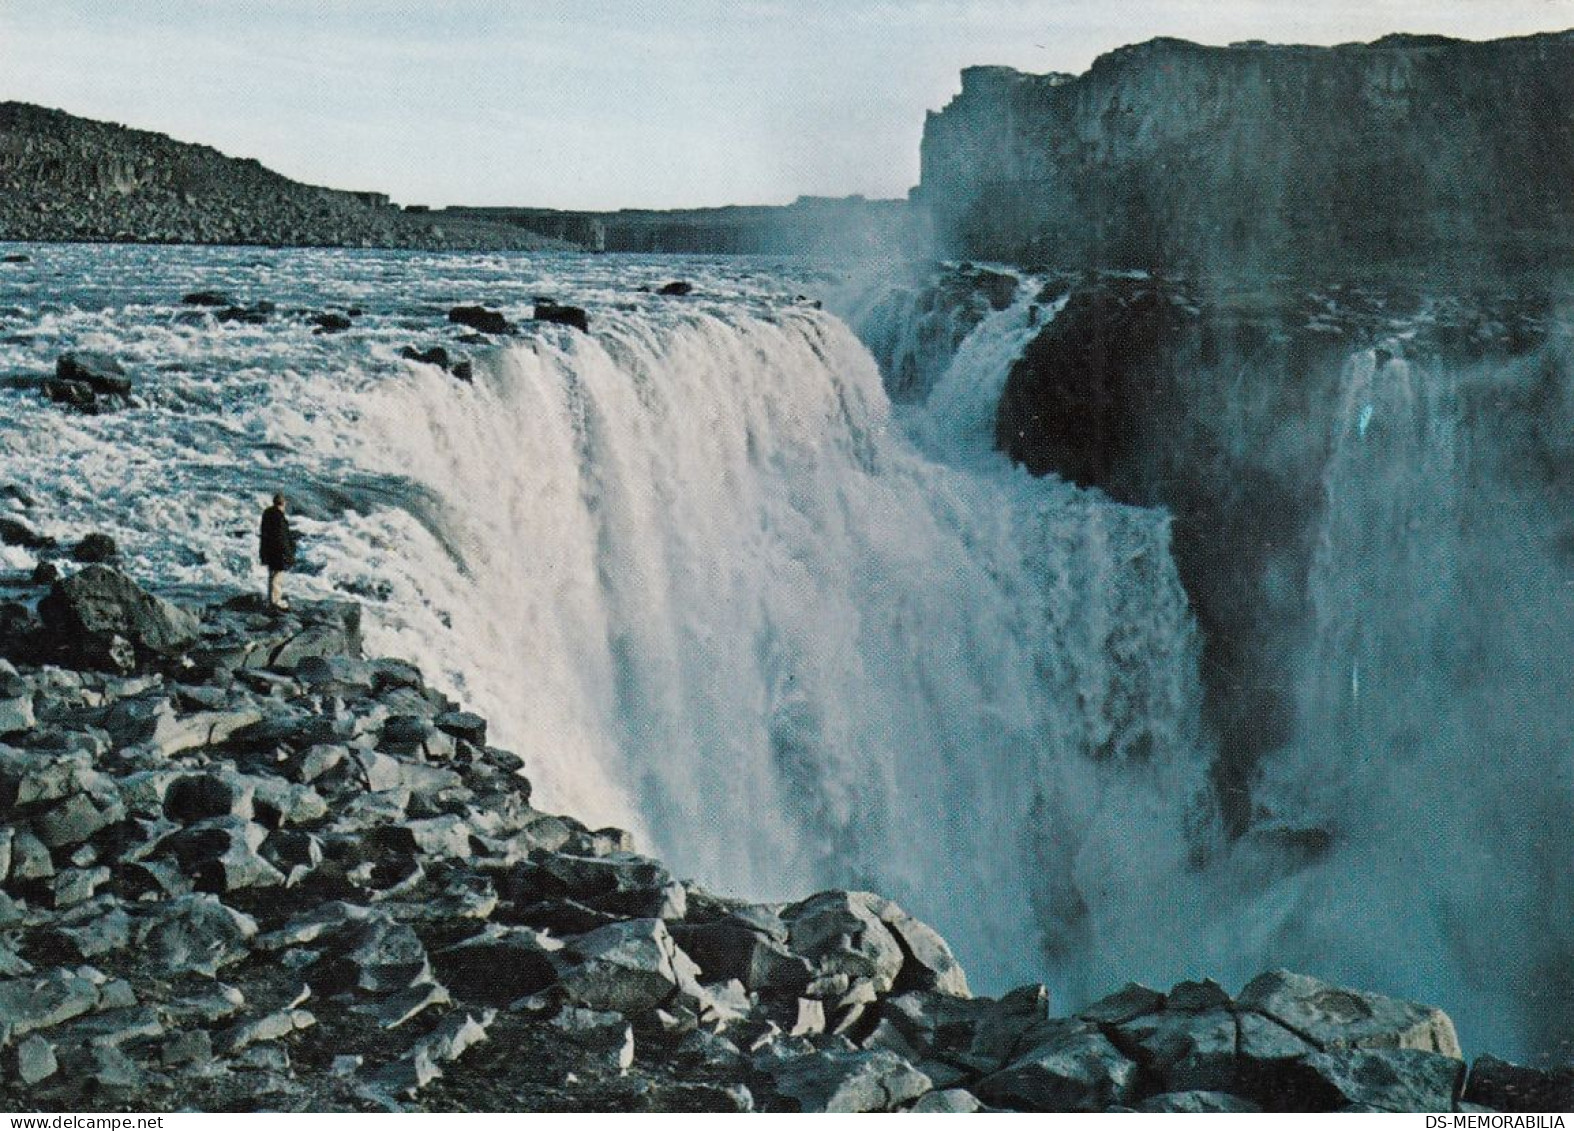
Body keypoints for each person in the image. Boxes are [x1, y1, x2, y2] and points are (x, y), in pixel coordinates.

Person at [258, 493, 295, 610]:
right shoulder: (279, 517)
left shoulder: (267, 514)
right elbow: (282, 537)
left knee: (272, 576)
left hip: (268, 549)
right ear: (283, 503)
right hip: (277, 552)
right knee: (276, 577)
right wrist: (289, 553)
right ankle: (275, 601)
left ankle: (272, 600)